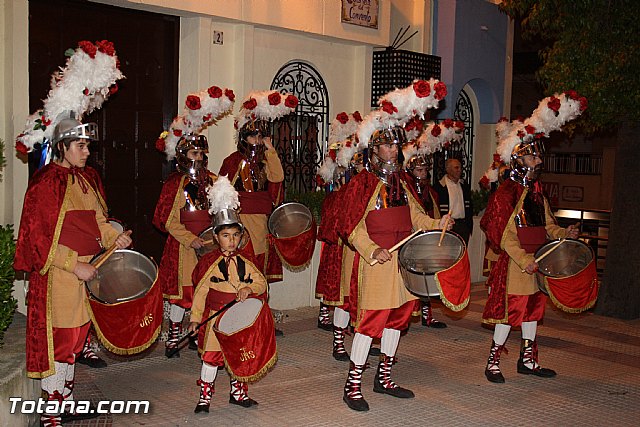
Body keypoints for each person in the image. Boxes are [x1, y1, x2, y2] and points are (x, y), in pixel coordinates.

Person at [14, 113, 133, 426]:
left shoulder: (86, 179)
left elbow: (99, 221)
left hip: (88, 270)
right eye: (80, 146)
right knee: (60, 343)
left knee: (77, 340)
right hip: (60, 277)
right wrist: (73, 264)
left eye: (86, 146)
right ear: (62, 146)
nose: (86, 151)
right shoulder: (45, 184)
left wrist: (113, 238)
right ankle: (49, 412)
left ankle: (65, 402)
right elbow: (38, 240)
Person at [338, 109, 453, 411]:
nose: (392, 151)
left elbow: (415, 215)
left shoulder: (402, 181)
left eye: (395, 146)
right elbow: (350, 226)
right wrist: (371, 249)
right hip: (377, 263)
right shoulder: (361, 183)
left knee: (399, 319)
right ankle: (352, 385)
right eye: (386, 146)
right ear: (373, 149)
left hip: (404, 262)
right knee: (370, 323)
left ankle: (384, 378)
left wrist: (435, 224)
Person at [481, 129, 579, 384]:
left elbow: (548, 226)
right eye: (533, 157)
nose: (538, 162)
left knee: (534, 311)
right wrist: (524, 260)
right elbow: (503, 235)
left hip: (539, 262)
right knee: (510, 313)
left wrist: (564, 233)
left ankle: (528, 360)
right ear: (518, 160)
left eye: (538, 157)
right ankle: (492, 363)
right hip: (517, 264)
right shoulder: (505, 194)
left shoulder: (537, 194)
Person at [154, 86, 235, 357]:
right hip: (183, 247)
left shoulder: (214, 180)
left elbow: (224, 214)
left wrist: (217, 238)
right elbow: (167, 221)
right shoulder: (174, 184)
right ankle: (174, 337)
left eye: (201, 154)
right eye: (193, 154)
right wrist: (192, 240)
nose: (198, 159)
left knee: (208, 291)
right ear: (182, 156)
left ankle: (204, 335)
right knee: (183, 294)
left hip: (210, 245)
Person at [219, 90, 298, 335]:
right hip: (239, 225)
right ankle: (238, 323)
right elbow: (223, 192)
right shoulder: (233, 160)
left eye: (260, 134)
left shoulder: (266, 160)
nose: (257, 138)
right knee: (239, 274)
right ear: (244, 136)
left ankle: (262, 322)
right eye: (253, 135)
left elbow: (278, 177)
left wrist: (270, 149)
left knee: (259, 275)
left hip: (261, 224)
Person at [189, 177, 271, 412]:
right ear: (216, 237)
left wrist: (250, 288)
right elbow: (201, 292)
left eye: (235, 235)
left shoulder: (246, 260)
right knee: (211, 358)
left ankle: (238, 393)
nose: (231, 240)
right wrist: (195, 318)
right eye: (226, 235)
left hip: (239, 319)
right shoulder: (209, 263)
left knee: (238, 356)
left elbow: (261, 284)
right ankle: (204, 397)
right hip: (216, 317)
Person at [403, 154, 447, 328]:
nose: (423, 174)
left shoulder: (430, 192)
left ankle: (427, 315)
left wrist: (437, 228)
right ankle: (406, 314)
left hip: (427, 237)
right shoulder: (407, 190)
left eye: (425, 170)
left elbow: (432, 213)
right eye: (419, 170)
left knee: (428, 276)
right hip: (412, 239)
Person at [435, 158, 473, 244]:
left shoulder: (464, 186)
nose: (459, 170)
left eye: (460, 168)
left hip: (463, 226)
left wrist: (468, 226)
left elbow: (470, 207)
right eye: (456, 168)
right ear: (448, 169)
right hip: (448, 226)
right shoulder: (439, 187)